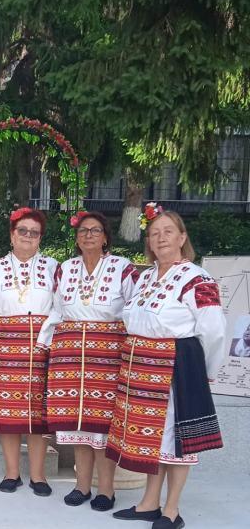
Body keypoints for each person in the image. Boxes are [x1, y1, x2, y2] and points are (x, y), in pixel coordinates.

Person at [108, 204, 226, 529]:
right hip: (141, 369)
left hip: (175, 368)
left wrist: (206, 373)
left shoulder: (196, 278)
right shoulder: (145, 277)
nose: (160, 238)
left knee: (174, 441)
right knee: (152, 441)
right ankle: (149, 503)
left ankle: (172, 510)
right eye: (154, 233)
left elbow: (214, 330)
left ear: (182, 236)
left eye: (168, 232)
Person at [37, 211, 139, 511]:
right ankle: (82, 485)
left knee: (103, 426)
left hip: (107, 356)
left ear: (106, 236)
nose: (88, 235)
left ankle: (105, 489)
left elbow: (134, 310)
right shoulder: (66, 269)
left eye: (95, 231)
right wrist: (45, 343)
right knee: (78, 425)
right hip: (69, 354)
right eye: (83, 231)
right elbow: (56, 310)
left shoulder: (122, 268)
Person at [0, 207, 58, 496]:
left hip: (40, 347)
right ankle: (11, 473)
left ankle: (37, 475)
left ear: (40, 238)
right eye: (23, 231)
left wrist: (50, 341)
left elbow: (60, 308)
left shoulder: (53, 267)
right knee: (7, 413)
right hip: (5, 345)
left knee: (38, 415)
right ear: (12, 235)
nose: (28, 237)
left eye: (34, 233)